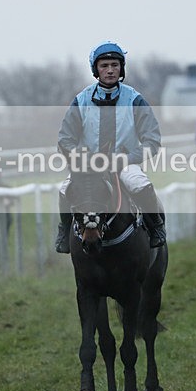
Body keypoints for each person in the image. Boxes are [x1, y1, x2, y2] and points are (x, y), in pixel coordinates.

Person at [54, 41, 165, 253]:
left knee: (140, 184)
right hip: (89, 166)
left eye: (115, 65)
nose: (110, 70)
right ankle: (64, 231)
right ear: (96, 70)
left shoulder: (135, 99)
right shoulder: (81, 99)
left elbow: (152, 140)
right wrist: (81, 157)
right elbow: (65, 139)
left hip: (124, 164)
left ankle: (156, 227)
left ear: (121, 68)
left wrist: (127, 158)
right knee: (64, 189)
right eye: (104, 65)